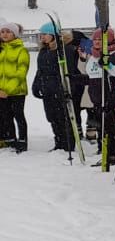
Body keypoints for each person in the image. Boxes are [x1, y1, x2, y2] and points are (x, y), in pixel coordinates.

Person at [32, 22, 73, 152]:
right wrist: (36, 84)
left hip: (58, 88)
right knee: (51, 116)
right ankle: (58, 141)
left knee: (62, 117)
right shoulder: (43, 51)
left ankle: (67, 142)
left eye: (45, 34)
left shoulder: (62, 50)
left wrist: (66, 87)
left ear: (53, 35)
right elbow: (40, 70)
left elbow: (67, 69)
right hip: (47, 88)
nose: (42, 37)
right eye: (41, 35)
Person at [0, 22, 30, 153]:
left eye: (8, 31)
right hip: (1, 92)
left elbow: (21, 72)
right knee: (5, 116)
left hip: (17, 91)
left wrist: (8, 90)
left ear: (15, 34)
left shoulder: (21, 50)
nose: (5, 34)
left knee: (18, 115)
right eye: (2, 31)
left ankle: (22, 141)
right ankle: (10, 139)